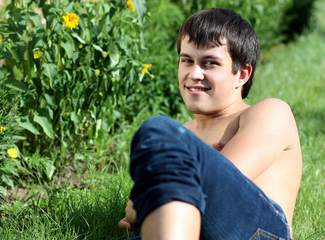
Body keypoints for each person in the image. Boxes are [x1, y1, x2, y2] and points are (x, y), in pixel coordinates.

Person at [118, 8, 302, 240]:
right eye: (187, 60)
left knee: (157, 132)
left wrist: (144, 204)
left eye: (209, 63)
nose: (194, 73)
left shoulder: (269, 112)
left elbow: (224, 185)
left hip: (260, 231)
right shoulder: (185, 133)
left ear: (242, 74)